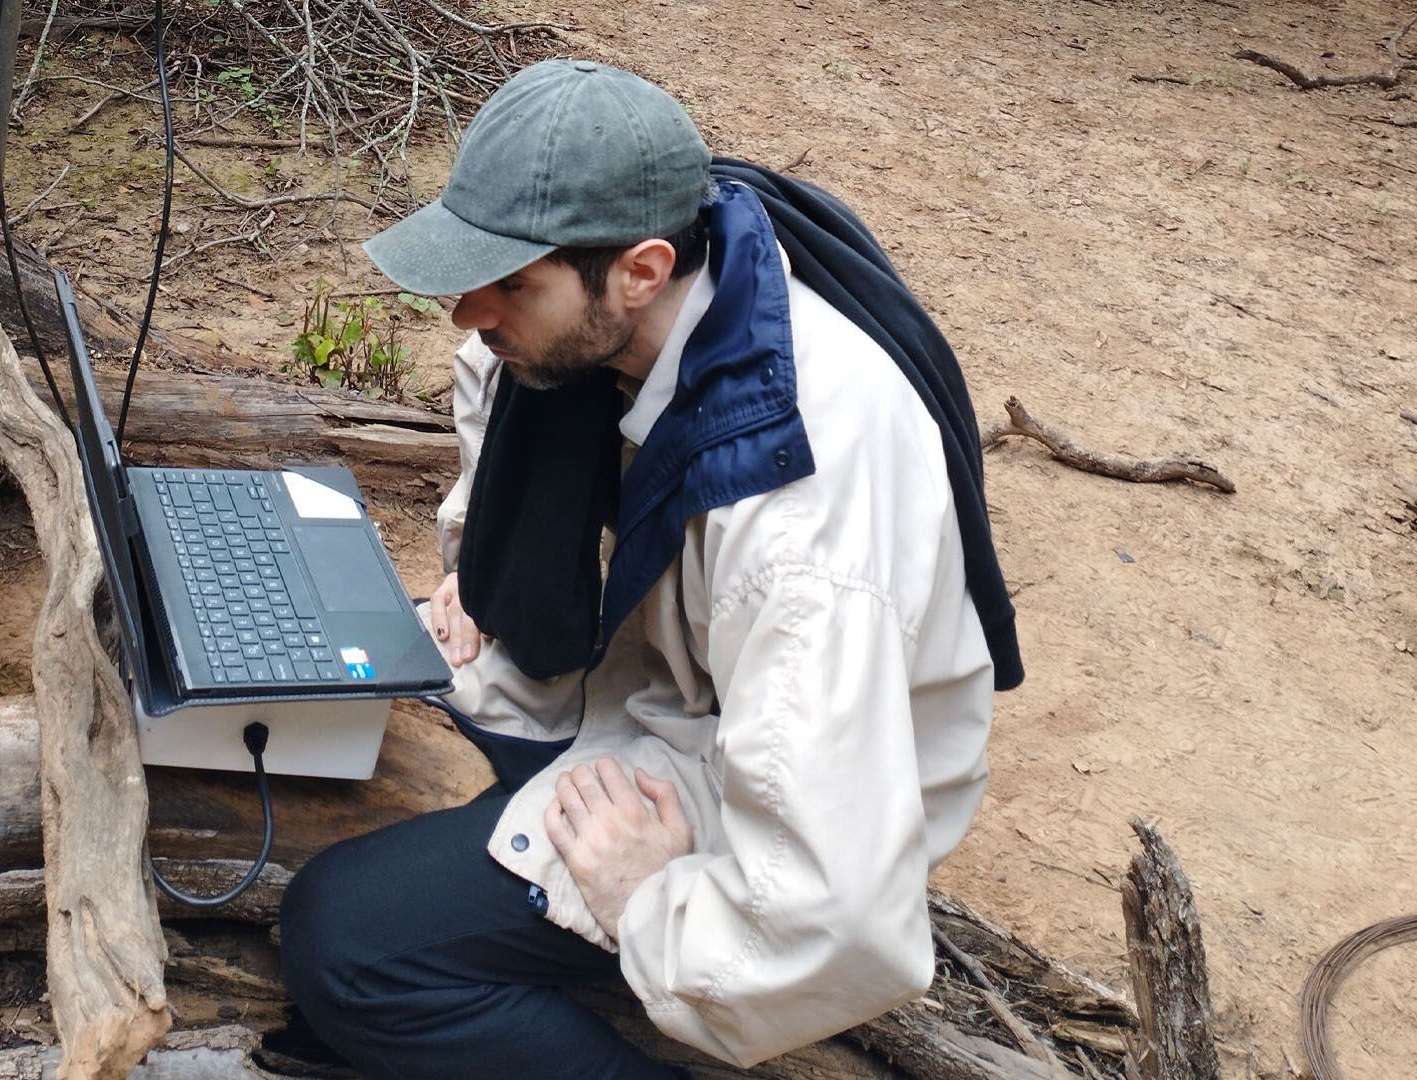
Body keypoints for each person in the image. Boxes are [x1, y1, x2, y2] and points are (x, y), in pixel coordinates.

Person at [279, 58, 1023, 1078]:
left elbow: (836, 905)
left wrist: (651, 901)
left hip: (772, 779)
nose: (469, 311)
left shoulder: (801, 512)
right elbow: (503, 424)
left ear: (640, 267)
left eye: (509, 283)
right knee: (333, 697)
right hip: (648, 689)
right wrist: (484, 581)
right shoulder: (628, 311)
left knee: (347, 939)